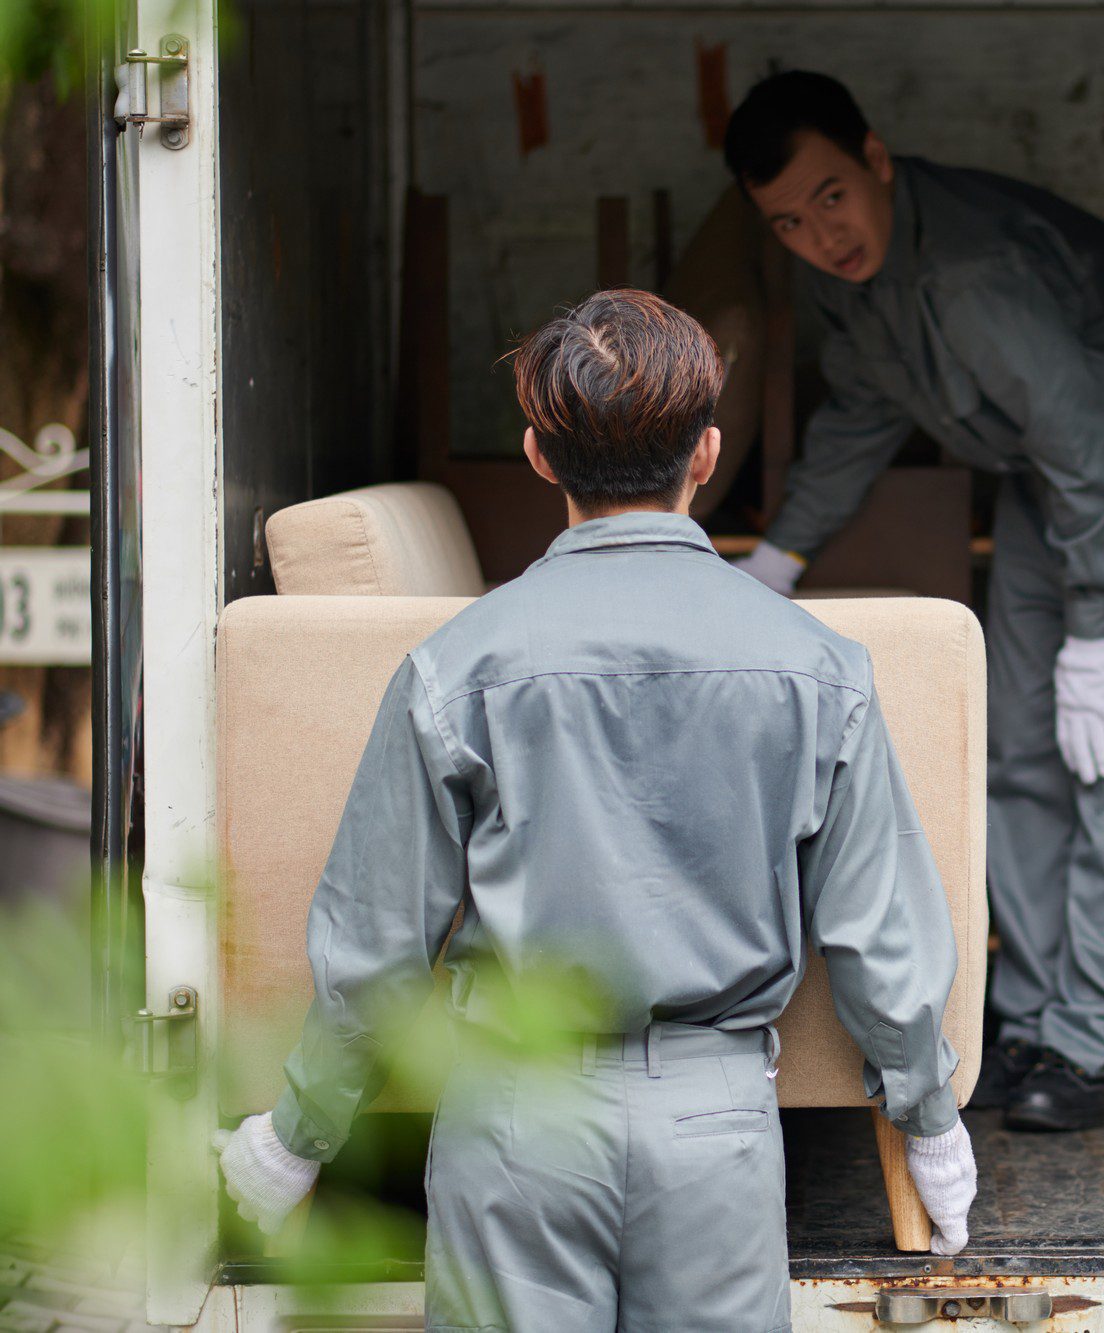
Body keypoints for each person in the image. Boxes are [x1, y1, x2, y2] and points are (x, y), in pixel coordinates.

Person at [212, 290, 979, 1331]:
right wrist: (929, 1119)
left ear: (536, 455)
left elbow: (378, 944)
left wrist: (294, 1136)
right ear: (706, 455)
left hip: (512, 1119)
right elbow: (876, 932)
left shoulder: (456, 667)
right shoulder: (820, 669)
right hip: (718, 1125)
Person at [726, 73, 1104, 1132]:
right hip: (1045, 476)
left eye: (830, 195)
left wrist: (1097, 626)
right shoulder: (840, 285)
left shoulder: (967, 270)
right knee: (1015, 747)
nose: (820, 234)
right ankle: (1039, 1023)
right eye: (786, 219)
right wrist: (774, 561)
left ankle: (1098, 1044)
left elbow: (1090, 435)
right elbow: (862, 416)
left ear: (874, 157)